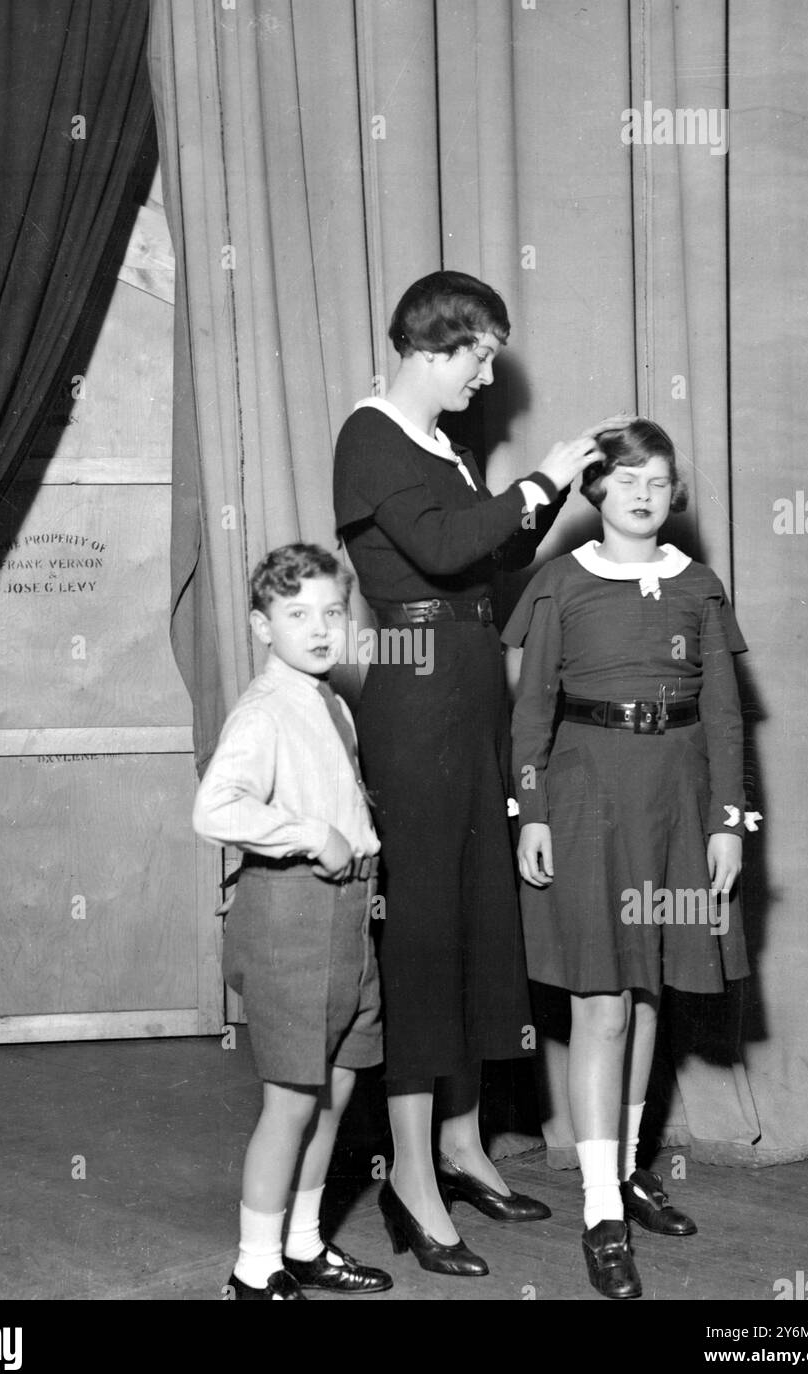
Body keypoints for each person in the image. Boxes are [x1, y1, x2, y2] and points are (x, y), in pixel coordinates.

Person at [332, 269, 604, 1276]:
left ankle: (458, 1144)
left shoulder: (434, 443)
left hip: (462, 686)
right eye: (478, 354)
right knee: (423, 935)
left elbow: (481, 567)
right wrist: (538, 479)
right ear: (430, 346)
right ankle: (407, 1179)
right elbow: (446, 547)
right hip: (411, 695)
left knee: (471, 917)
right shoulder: (370, 433)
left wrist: (555, 492)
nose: (487, 375)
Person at [504, 418, 750, 1299]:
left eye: (659, 482)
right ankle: (599, 1207)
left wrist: (729, 822)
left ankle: (631, 1172)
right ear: (597, 492)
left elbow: (724, 717)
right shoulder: (560, 584)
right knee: (602, 1003)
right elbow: (530, 715)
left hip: (678, 809)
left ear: (671, 493)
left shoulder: (699, 587)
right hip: (586, 808)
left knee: (649, 997)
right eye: (627, 481)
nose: (644, 496)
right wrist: (529, 811)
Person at [192, 542, 392, 1300]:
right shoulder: (266, 708)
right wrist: (311, 832)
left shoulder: (328, 698)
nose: (318, 628)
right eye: (295, 613)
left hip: (349, 919)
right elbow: (214, 807)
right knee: (290, 1102)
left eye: (332, 612)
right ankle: (253, 1267)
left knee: (336, 1091)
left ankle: (304, 1244)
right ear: (260, 624)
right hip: (292, 916)